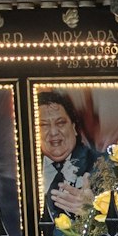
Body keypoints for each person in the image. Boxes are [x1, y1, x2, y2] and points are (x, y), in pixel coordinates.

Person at [38, 91, 101, 225]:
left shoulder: (102, 165)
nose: (54, 132)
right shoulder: (21, 174)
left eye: (60, 123)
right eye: (43, 125)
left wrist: (93, 210)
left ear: (74, 128)